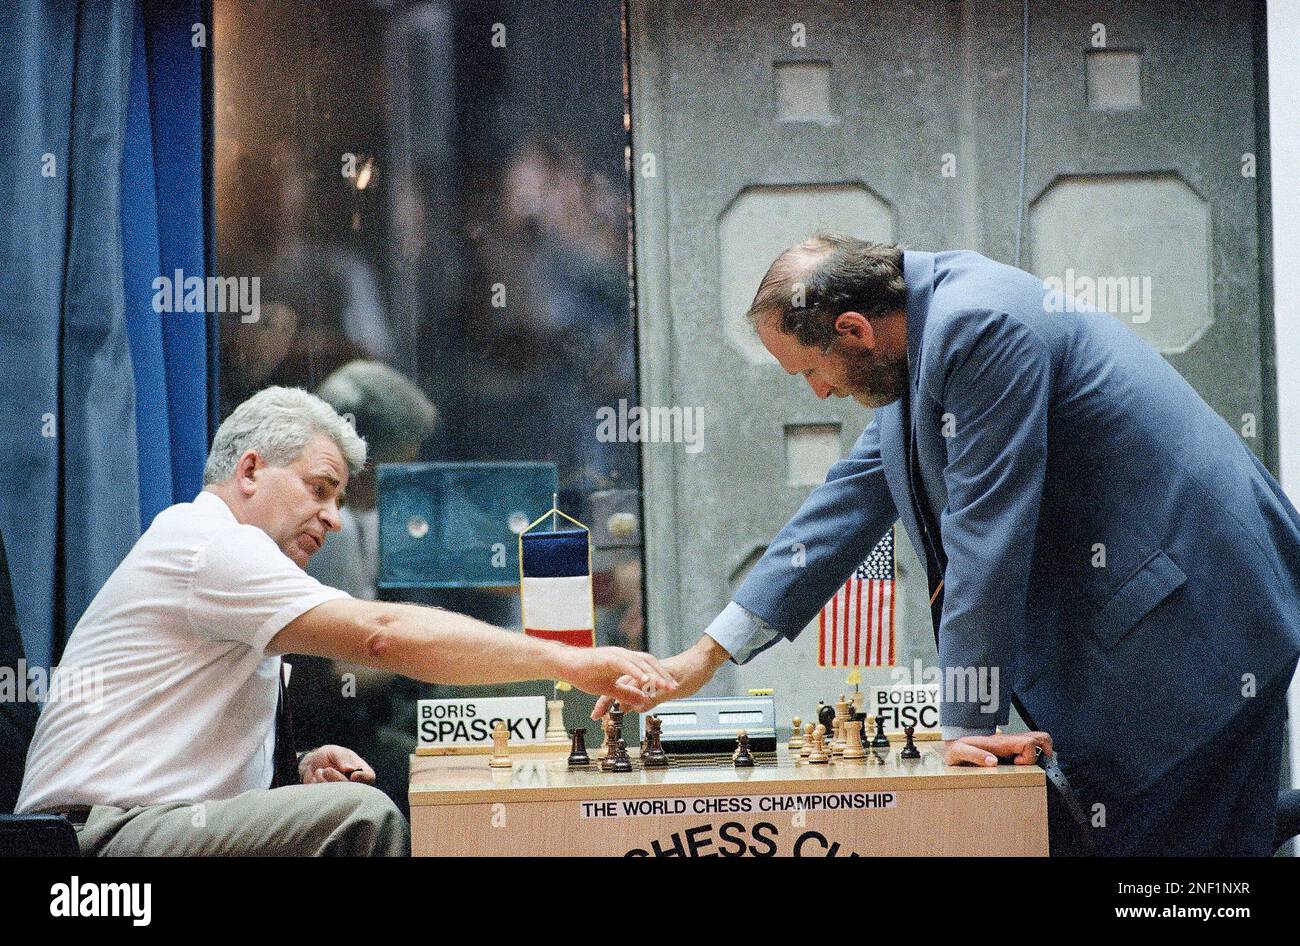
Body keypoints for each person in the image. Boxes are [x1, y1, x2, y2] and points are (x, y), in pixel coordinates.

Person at [598, 235, 1300, 856]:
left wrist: (966, 724)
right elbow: (843, 507)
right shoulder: (921, 343)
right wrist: (704, 655)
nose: (815, 393)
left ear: (852, 330)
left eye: (810, 371)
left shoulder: (979, 326)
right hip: (1162, 634)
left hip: (1201, 630)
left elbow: (987, 539)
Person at [17, 387, 675, 855]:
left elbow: (169, 744)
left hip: (135, 825)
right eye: (320, 488)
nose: (335, 517)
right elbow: (380, 635)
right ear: (251, 470)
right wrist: (566, 660)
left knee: (342, 804)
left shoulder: (217, 551)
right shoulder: (212, 542)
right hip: (96, 844)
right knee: (360, 817)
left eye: (338, 497)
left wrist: (291, 769)